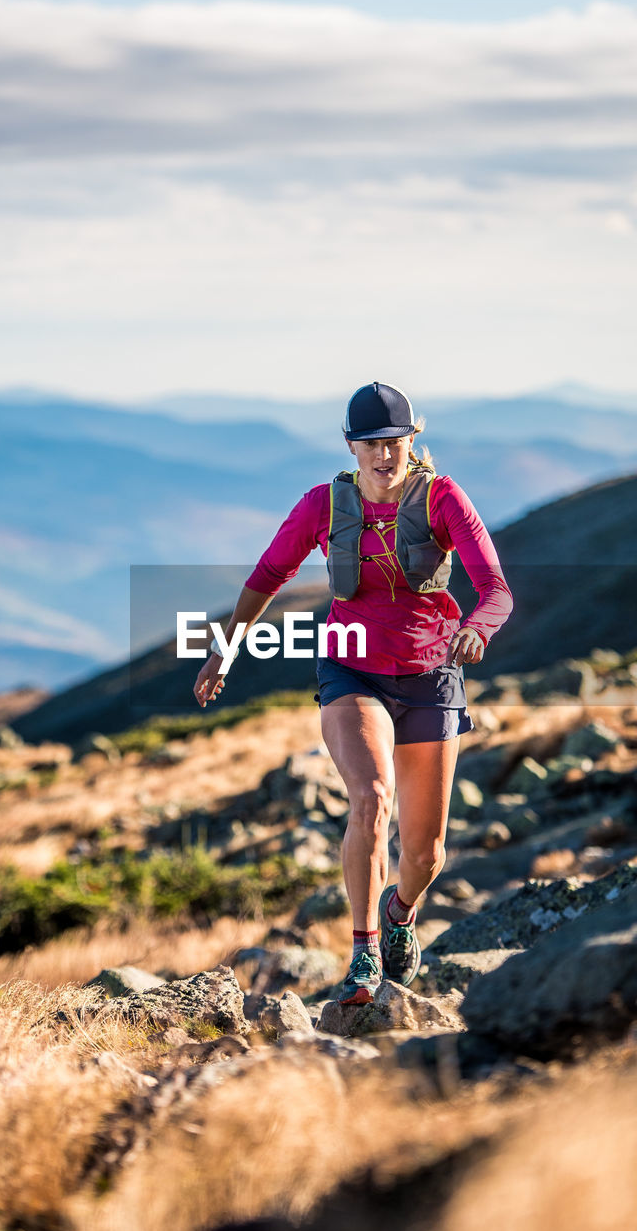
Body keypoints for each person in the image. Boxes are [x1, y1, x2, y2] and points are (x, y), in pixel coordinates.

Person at [193, 382, 513, 1006]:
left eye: (394, 442)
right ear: (351, 445)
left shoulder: (443, 499)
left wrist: (478, 628)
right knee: (370, 796)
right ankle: (364, 951)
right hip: (352, 668)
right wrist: (224, 647)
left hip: (431, 676)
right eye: (371, 444)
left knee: (425, 854)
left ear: (412, 441)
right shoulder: (323, 505)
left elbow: (495, 588)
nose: (384, 455)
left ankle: (399, 914)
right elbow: (267, 576)